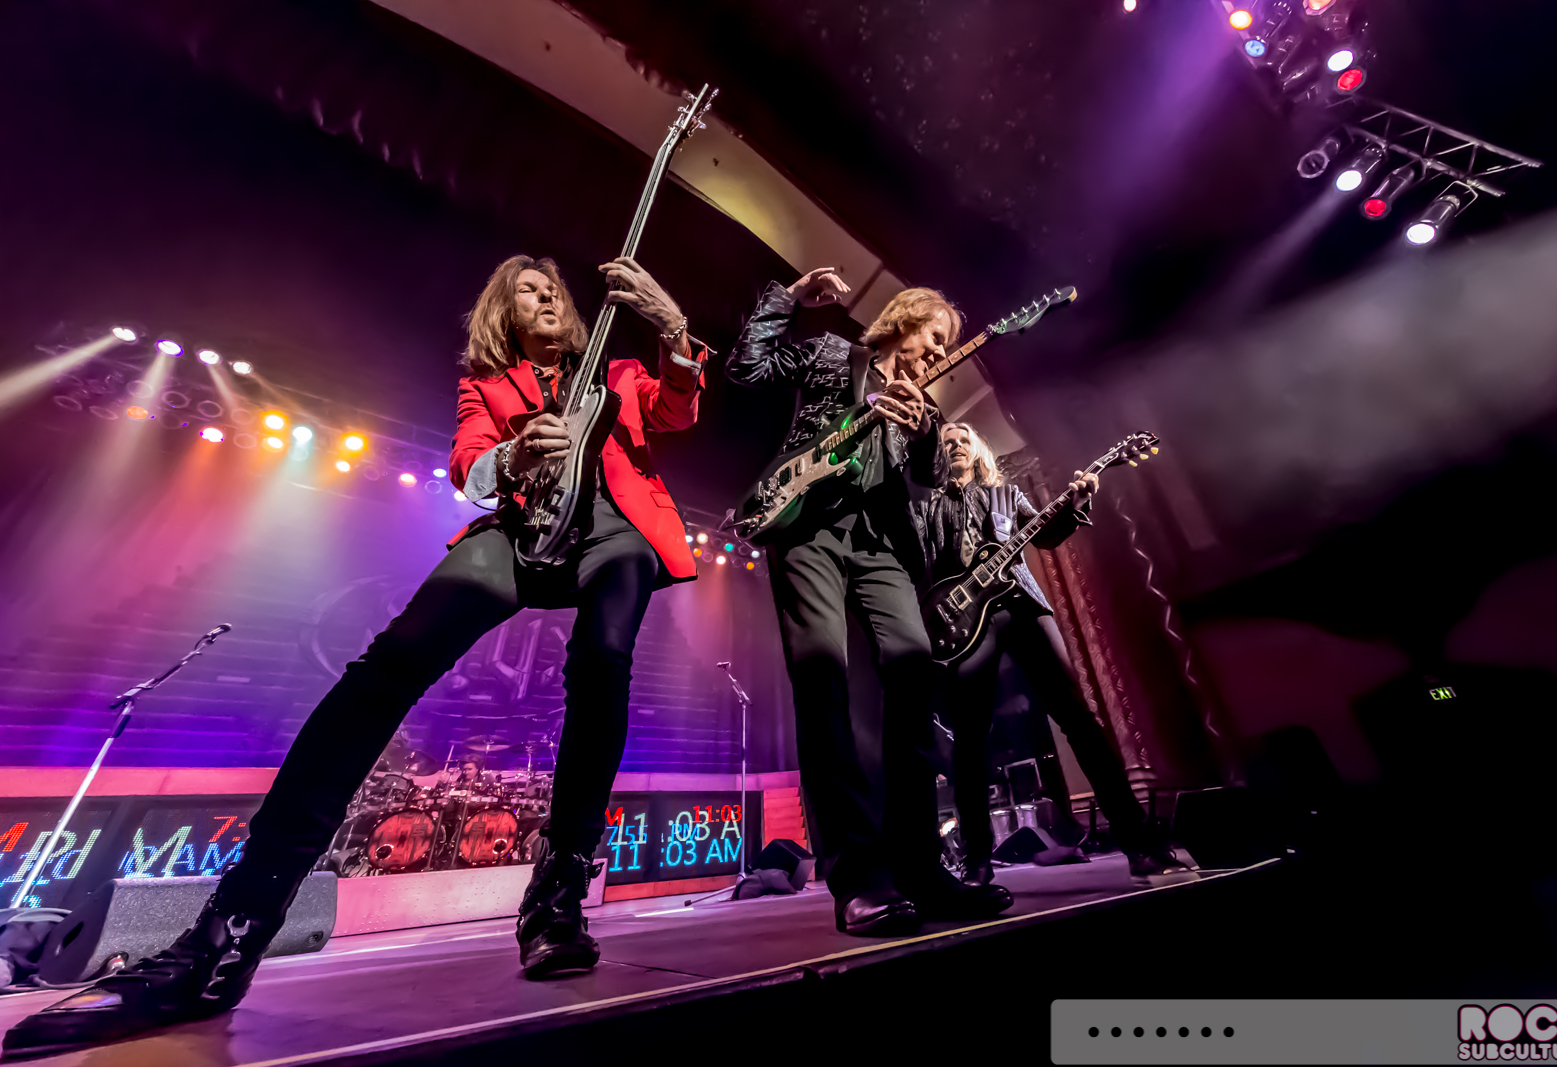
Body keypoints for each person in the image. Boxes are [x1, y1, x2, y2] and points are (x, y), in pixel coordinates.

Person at [5, 254, 710, 1055]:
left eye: (554, 288)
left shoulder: (615, 372)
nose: (546, 295)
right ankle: (235, 925)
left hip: (615, 530)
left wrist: (670, 323)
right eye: (528, 290)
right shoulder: (487, 385)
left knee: (604, 658)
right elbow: (469, 466)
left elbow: (677, 409)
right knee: (386, 666)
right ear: (505, 315)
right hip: (519, 530)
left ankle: (556, 898)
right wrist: (515, 456)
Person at [726, 267, 1012, 936]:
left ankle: (921, 869)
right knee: (823, 686)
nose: (940, 353)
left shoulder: (925, 408)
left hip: (881, 543)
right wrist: (787, 300)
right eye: (935, 337)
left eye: (946, 346)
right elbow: (748, 367)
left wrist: (925, 434)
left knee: (913, 676)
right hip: (807, 528)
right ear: (904, 322)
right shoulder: (834, 354)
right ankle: (857, 877)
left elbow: (932, 485)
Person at [916, 423, 1193, 884]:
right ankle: (977, 862)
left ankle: (1140, 844)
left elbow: (1044, 534)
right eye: (947, 441)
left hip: (1022, 604)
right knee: (970, 739)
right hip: (964, 624)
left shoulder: (1004, 495)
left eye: (964, 439)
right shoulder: (926, 503)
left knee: (1079, 719)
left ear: (978, 450)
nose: (956, 445)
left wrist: (1076, 503)